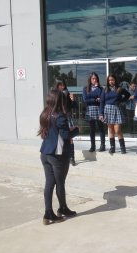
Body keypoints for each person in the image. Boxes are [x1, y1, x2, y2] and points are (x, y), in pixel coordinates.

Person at [38, 89, 79, 225]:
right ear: (58, 100)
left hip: (45, 153)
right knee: (60, 183)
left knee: (49, 183)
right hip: (58, 155)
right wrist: (76, 131)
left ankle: (48, 213)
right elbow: (66, 136)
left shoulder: (45, 114)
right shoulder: (60, 116)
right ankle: (62, 208)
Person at [100, 74, 130, 154]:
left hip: (116, 109)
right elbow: (102, 102)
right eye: (109, 80)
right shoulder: (105, 90)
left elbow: (128, 95)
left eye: (112, 80)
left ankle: (122, 147)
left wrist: (121, 101)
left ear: (115, 80)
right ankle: (112, 147)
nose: (111, 82)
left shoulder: (119, 89)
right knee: (110, 129)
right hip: (107, 110)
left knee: (118, 130)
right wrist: (101, 113)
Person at [82, 72, 106, 152]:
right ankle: (93, 146)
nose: (94, 80)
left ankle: (103, 145)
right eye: (93, 78)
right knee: (92, 129)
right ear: (90, 79)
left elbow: (101, 98)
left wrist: (97, 89)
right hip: (90, 110)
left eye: (96, 78)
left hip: (99, 109)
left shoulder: (101, 88)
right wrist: (95, 99)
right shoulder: (85, 88)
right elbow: (85, 100)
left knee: (100, 127)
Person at [55, 79, 77, 166]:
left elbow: (74, 106)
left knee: (69, 137)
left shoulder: (67, 94)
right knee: (59, 137)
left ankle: (72, 157)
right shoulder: (54, 95)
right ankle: (61, 156)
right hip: (57, 118)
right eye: (59, 85)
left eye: (63, 85)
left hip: (67, 117)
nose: (62, 86)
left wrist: (73, 100)